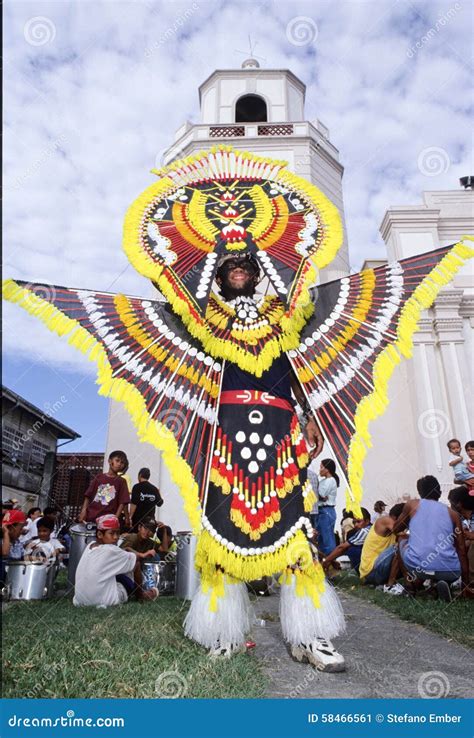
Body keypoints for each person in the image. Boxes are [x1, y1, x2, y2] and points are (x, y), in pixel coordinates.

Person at [184, 254, 346, 671]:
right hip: (225, 434)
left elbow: (299, 367)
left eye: (246, 262)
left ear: (257, 274)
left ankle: (309, 636)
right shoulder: (201, 316)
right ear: (217, 276)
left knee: (296, 529)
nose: (238, 266)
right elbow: (170, 292)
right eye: (229, 262)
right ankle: (225, 634)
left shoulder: (283, 314)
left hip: (283, 430)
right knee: (221, 531)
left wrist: (308, 416)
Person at [393, 476, 469, 601]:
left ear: (420, 492)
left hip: (419, 568)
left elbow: (395, 529)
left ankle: (410, 587)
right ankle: (439, 584)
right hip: (451, 571)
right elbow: (461, 549)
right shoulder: (453, 514)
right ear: (439, 492)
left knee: (401, 539)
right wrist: (465, 584)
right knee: (444, 550)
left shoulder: (412, 505)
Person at [73, 514, 158, 607]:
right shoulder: (111, 549)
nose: (116, 537)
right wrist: (143, 555)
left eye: (117, 533)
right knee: (135, 564)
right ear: (100, 534)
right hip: (102, 601)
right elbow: (135, 559)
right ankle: (141, 596)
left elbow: (124, 552)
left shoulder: (90, 545)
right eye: (111, 533)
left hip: (79, 600)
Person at [359, 503, 405, 593]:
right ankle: (390, 586)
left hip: (377, 571)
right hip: (371, 572)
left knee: (406, 550)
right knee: (400, 546)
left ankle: (412, 584)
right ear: (398, 517)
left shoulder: (392, 525)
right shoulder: (385, 520)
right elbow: (404, 536)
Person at [78, 451, 130, 524]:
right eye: (117, 460)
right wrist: (83, 511)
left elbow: (122, 503)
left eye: (122, 463)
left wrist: (115, 518)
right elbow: (88, 496)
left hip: (107, 520)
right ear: (109, 461)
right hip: (91, 517)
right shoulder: (99, 477)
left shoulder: (121, 481)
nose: (119, 464)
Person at [321, 507, 372, 576]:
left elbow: (342, 548)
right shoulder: (371, 528)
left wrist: (325, 562)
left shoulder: (364, 531)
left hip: (373, 569)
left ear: (367, 521)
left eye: (359, 521)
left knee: (351, 549)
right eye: (354, 522)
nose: (356, 525)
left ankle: (365, 576)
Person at [315, 459, 339, 556]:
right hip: (322, 511)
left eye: (321, 467)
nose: (320, 470)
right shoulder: (324, 481)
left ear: (327, 469)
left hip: (326, 511)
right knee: (321, 538)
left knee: (327, 539)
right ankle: (323, 560)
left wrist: (317, 495)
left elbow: (321, 494)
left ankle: (329, 560)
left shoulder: (330, 480)